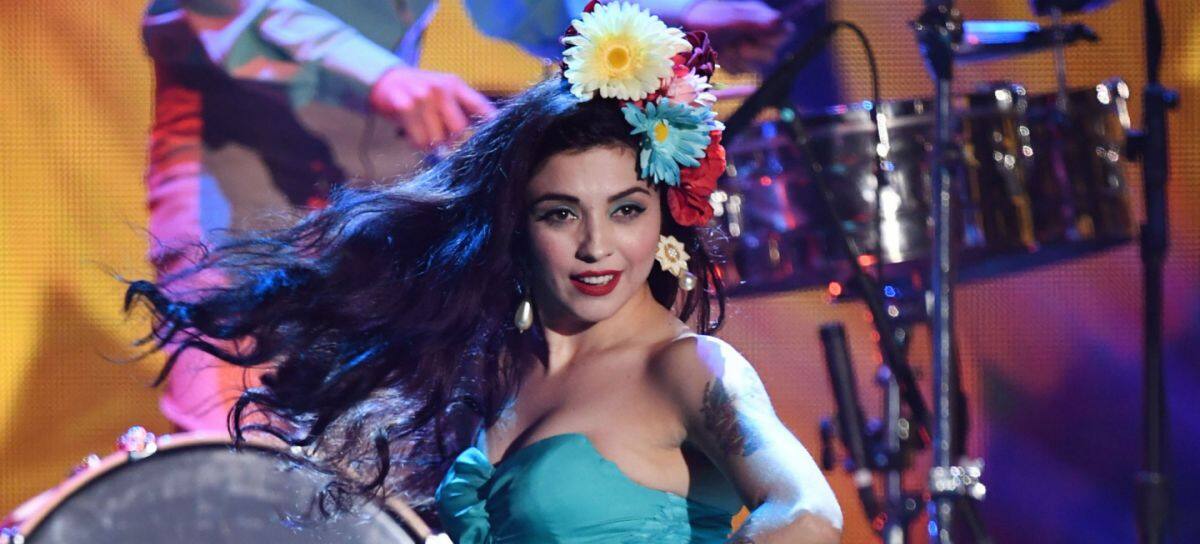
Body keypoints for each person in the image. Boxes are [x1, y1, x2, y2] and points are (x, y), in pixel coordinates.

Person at [127, 3, 841, 540]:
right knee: (251, 468)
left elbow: (806, 515)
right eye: (561, 214)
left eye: (626, 210)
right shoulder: (504, 373)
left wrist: (661, 21)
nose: (596, 245)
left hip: (372, 173)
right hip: (245, 175)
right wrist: (383, 76)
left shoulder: (689, 368)